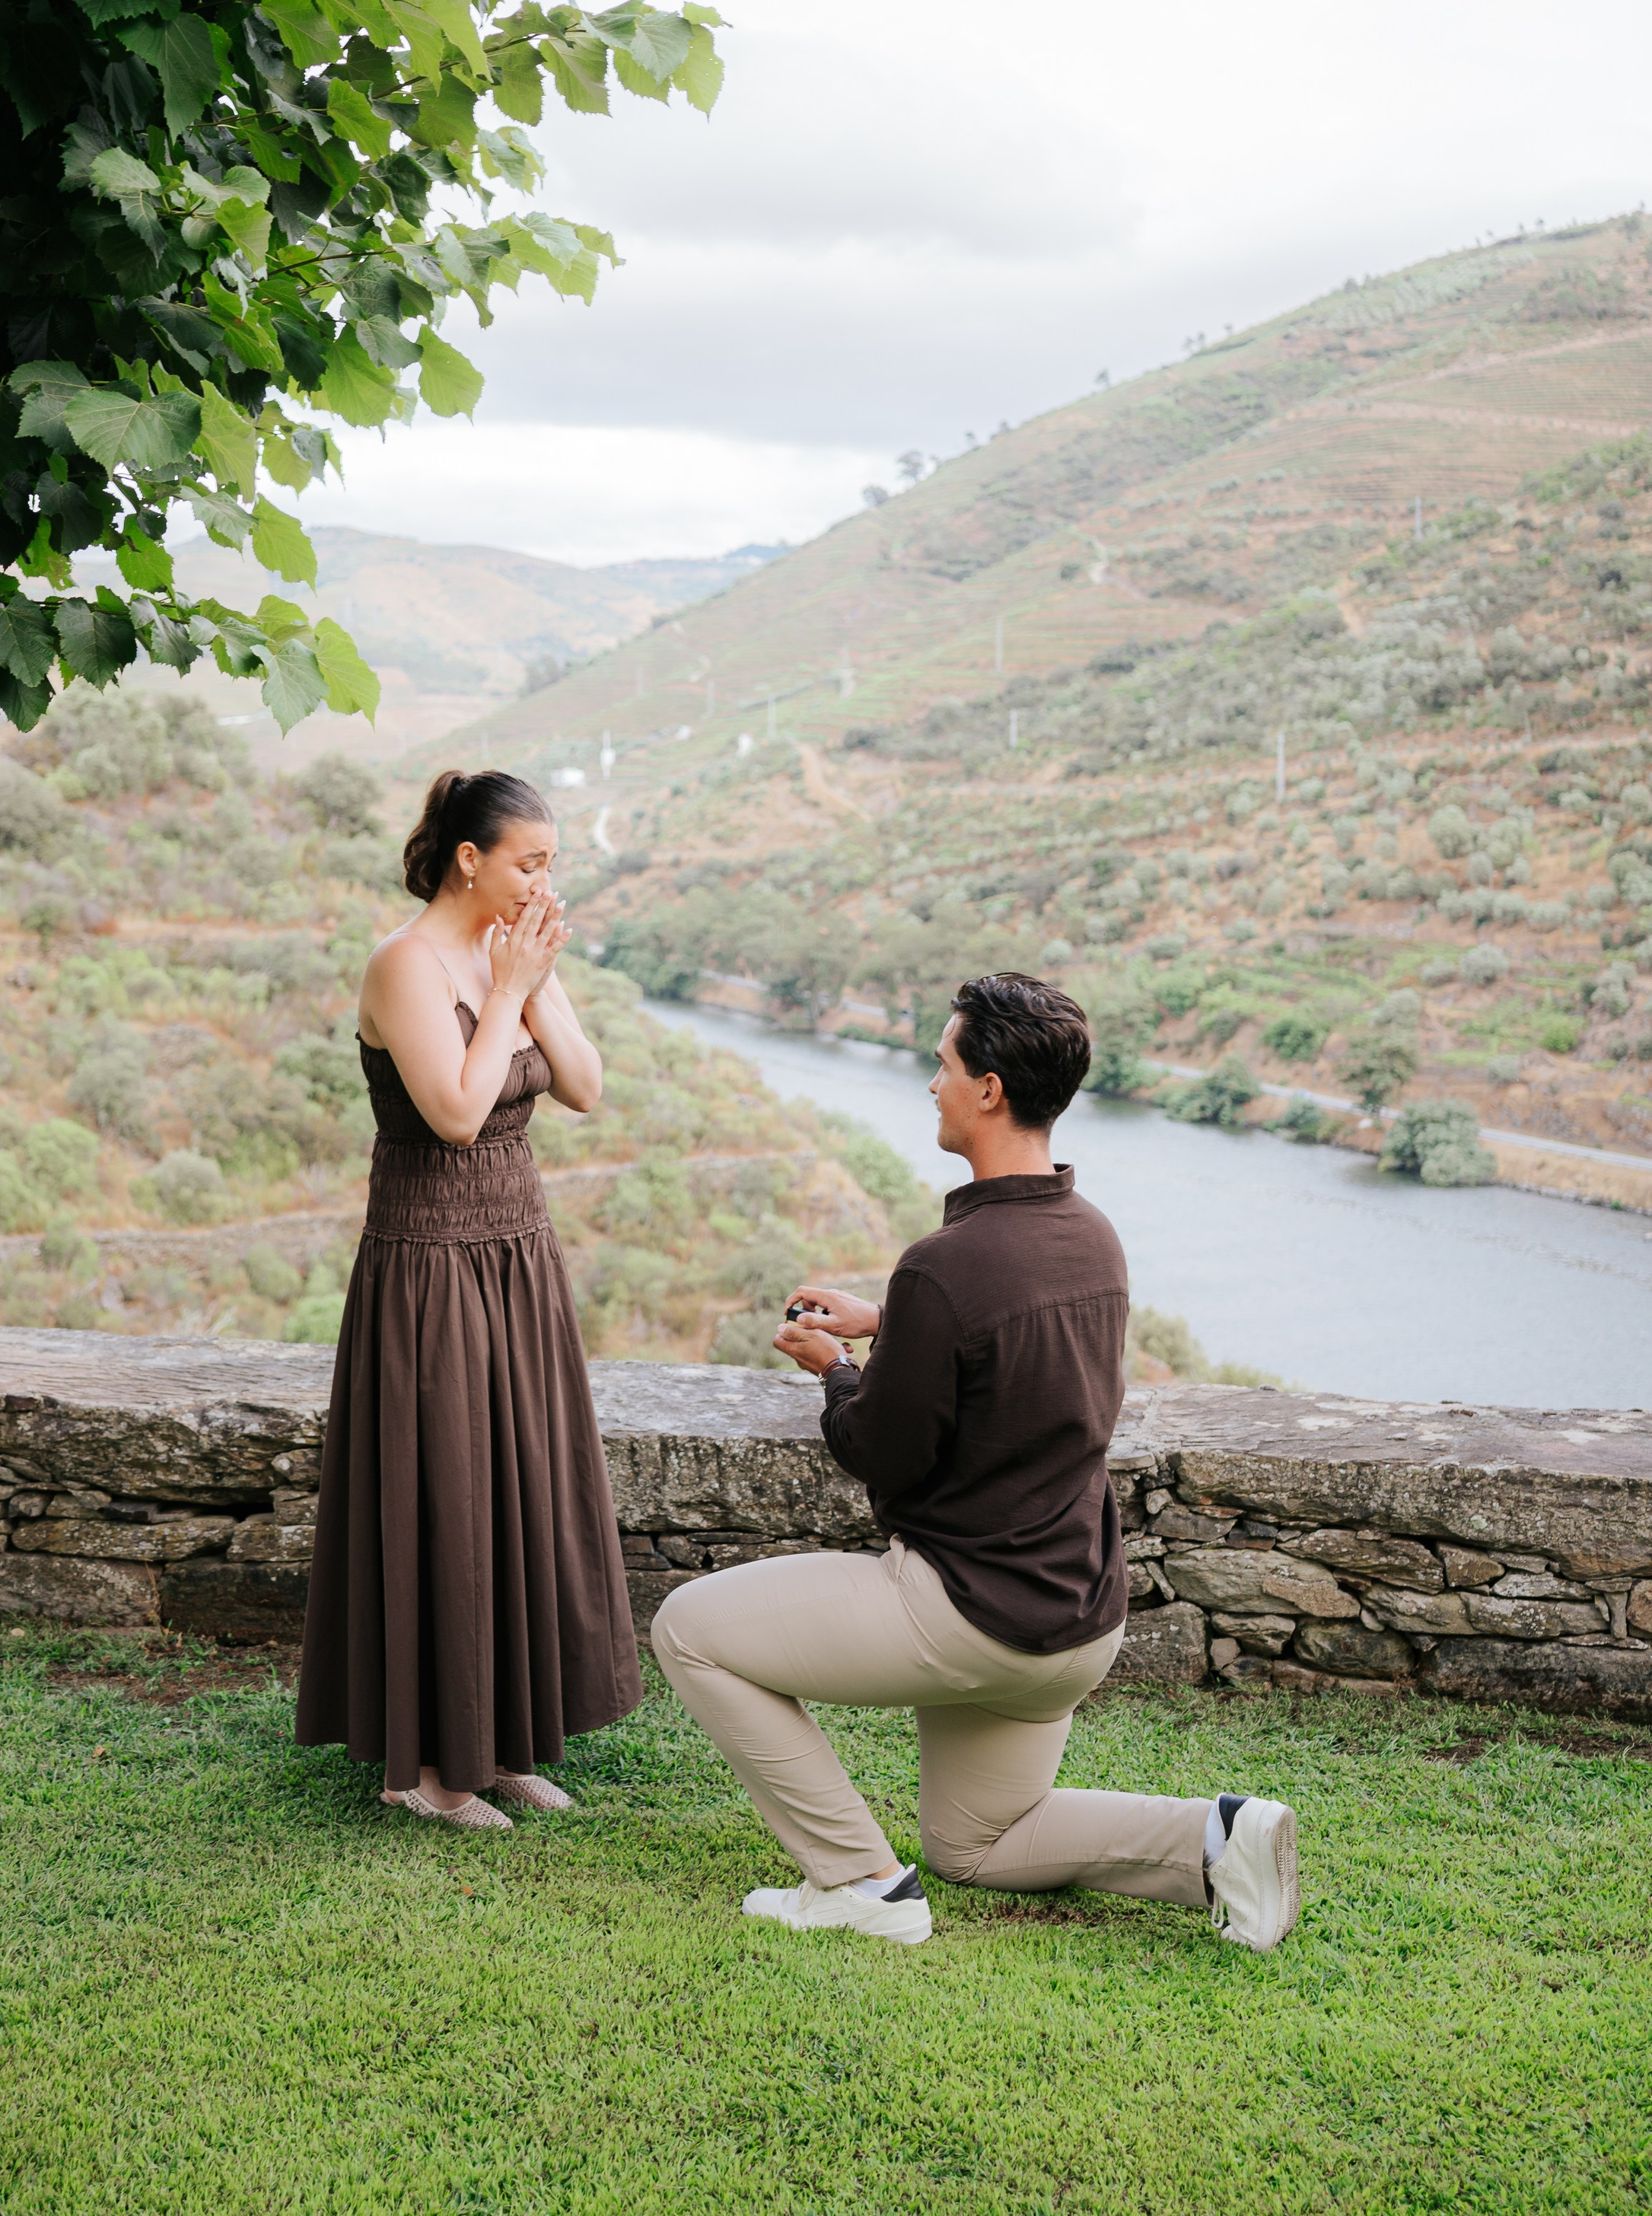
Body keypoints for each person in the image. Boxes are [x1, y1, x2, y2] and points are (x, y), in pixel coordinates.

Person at [651, 973, 1298, 1950]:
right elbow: (1012, 1358)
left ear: (989, 1089)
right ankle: (1216, 1838)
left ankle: (860, 1883)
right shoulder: (1092, 1238)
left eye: (944, 1064)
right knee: (979, 1844)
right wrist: (896, 1323)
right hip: (1076, 1618)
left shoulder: (944, 1266)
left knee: (689, 1629)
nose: (932, 1085)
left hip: (967, 1612)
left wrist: (838, 1369)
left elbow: (880, 1453)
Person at [296, 768, 641, 1831]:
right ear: (469, 860)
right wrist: (502, 994)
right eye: (530, 862)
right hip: (432, 1259)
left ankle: (504, 1745)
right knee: (445, 1492)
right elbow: (452, 1112)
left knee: (519, 1486)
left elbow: (582, 1086)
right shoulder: (403, 965)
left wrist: (531, 982)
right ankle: (430, 1772)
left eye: (551, 862)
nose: (546, 880)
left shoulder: (515, 952)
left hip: (516, 1250)